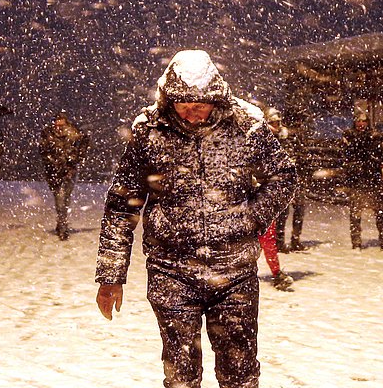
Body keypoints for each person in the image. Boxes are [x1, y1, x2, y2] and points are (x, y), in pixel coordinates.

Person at [95, 49, 297, 388]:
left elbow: (283, 176)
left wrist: (251, 218)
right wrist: (111, 275)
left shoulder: (247, 127)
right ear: (168, 100)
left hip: (234, 275)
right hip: (171, 273)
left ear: (215, 99)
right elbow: (121, 205)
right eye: (183, 107)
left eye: (199, 106)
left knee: (240, 376)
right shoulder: (149, 132)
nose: (191, 116)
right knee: (181, 378)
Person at [342, 111, 383, 253]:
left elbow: (381, 154)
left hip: (373, 178)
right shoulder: (350, 136)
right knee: (356, 213)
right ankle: (356, 242)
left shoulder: (374, 136)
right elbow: (350, 153)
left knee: (380, 211)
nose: (361, 124)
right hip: (358, 180)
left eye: (364, 121)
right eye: (359, 121)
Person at [39, 111, 90, 240]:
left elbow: (83, 145)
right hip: (54, 172)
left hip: (69, 171)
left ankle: (61, 221)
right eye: (57, 120)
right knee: (60, 197)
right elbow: (43, 152)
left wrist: (74, 160)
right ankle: (62, 225)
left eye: (61, 120)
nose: (59, 123)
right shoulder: (48, 134)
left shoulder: (74, 133)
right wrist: (54, 162)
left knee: (65, 197)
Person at [266, 108, 307, 252]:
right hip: (279, 180)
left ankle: (296, 239)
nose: (276, 125)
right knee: (282, 213)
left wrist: (297, 163)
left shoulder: (287, 136)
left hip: (293, 178)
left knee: (299, 209)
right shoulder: (267, 139)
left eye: (277, 122)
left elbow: (299, 154)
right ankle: (279, 241)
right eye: (273, 123)